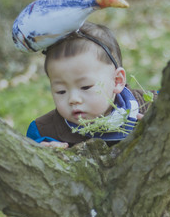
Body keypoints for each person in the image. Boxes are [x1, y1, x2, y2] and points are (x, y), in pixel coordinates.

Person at [26, 22, 156, 148]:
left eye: (85, 87)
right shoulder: (44, 131)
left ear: (117, 81)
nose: (73, 99)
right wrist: (44, 151)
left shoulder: (154, 107)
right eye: (61, 91)